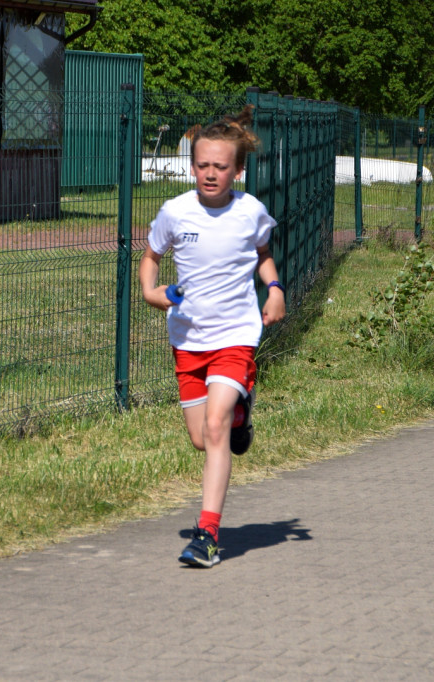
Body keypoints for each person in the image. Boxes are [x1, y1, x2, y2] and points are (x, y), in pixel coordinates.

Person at [139, 106, 286, 567]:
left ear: (237, 170)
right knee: (203, 438)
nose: (210, 173)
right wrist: (151, 292)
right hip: (188, 339)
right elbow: (150, 259)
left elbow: (262, 254)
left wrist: (275, 288)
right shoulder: (174, 212)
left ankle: (207, 535)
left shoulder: (250, 212)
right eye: (202, 165)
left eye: (220, 167)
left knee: (216, 425)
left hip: (236, 333)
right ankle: (243, 414)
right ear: (192, 167)